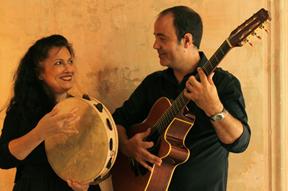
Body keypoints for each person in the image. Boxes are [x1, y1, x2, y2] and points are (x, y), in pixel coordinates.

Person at [112, 5, 251, 191]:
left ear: (186, 40)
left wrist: (214, 108)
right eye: (155, 38)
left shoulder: (224, 83)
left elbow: (240, 142)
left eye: (161, 38)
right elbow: (117, 121)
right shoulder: (154, 83)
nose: (155, 45)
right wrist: (128, 147)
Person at [0, 34, 101, 191]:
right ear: (39, 73)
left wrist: (85, 188)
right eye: (59, 63)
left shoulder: (84, 110)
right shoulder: (22, 109)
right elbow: (3, 159)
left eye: (70, 62)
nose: (69, 69)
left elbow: (92, 170)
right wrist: (39, 133)